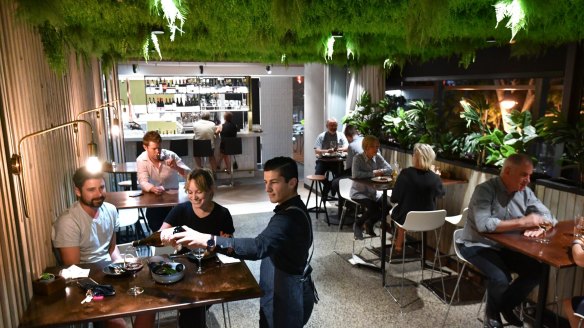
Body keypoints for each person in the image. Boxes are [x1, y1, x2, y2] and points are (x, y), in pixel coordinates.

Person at [162, 157, 316, 328]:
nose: (267, 188)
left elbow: (258, 247)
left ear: (292, 182)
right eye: (265, 182)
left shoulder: (288, 218)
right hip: (279, 289)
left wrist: (207, 239)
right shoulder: (289, 209)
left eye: (274, 182)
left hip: (286, 294)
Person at [458, 153, 556, 328]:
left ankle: (506, 306)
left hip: (505, 248)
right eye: (523, 174)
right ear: (508, 171)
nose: (528, 179)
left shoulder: (525, 192)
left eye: (530, 175)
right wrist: (523, 222)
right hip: (476, 244)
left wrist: (541, 226)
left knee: (538, 270)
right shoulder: (485, 190)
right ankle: (492, 314)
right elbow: (483, 225)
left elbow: (549, 216)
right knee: (501, 277)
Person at [52, 167, 153, 328]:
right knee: (116, 322)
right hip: (87, 283)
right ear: (77, 191)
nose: (99, 194)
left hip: (112, 274)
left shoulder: (111, 210)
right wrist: (103, 286)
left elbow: (112, 249)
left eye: (101, 187)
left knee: (150, 302)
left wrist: (123, 267)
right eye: (91, 189)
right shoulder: (68, 222)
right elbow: (75, 268)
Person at [159, 168, 234, 327]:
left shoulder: (222, 213)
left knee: (193, 306)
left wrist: (221, 243)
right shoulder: (181, 209)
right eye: (190, 192)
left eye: (198, 192)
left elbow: (229, 247)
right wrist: (168, 236)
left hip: (211, 267)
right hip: (185, 266)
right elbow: (161, 233)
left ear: (209, 190)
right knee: (192, 304)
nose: (193, 197)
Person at [390, 143, 445, 252]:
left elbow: (394, 198)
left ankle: (398, 243)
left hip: (407, 219)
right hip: (429, 220)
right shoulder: (435, 178)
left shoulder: (405, 174)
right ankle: (399, 243)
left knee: (402, 208)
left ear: (415, 157)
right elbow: (441, 194)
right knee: (410, 207)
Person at [137, 130, 190, 231]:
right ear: (145, 147)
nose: (158, 151)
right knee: (154, 223)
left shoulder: (171, 156)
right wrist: (152, 188)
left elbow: (190, 176)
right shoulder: (141, 160)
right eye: (154, 149)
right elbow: (142, 181)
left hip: (173, 200)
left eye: (159, 148)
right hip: (155, 200)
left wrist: (177, 167)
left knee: (178, 226)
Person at [351, 135, 392, 239]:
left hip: (373, 192)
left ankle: (370, 223)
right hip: (359, 192)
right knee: (373, 207)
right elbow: (355, 174)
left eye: (377, 147)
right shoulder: (358, 158)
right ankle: (358, 224)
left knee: (388, 206)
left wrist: (381, 171)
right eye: (374, 147)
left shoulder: (377, 156)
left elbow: (390, 169)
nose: (376, 149)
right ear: (366, 147)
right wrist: (374, 173)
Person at [314, 118, 349, 199]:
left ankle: (333, 188)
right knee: (318, 175)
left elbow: (347, 147)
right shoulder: (322, 136)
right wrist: (327, 151)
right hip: (323, 161)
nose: (333, 127)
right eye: (331, 125)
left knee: (340, 177)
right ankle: (329, 185)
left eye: (335, 125)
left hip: (337, 161)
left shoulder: (341, 135)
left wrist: (337, 149)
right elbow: (317, 150)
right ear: (327, 126)